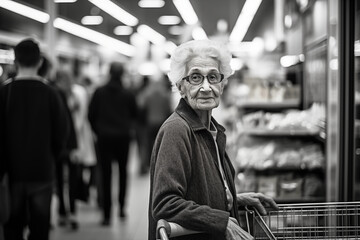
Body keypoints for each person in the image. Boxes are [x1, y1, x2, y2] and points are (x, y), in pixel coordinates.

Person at [148, 40, 278, 240]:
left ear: (223, 84)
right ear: (181, 87)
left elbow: (196, 189)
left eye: (213, 77)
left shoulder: (212, 130)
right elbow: (165, 203)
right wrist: (221, 221)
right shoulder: (177, 130)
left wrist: (233, 200)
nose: (206, 87)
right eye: (196, 77)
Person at [0, 38, 69, 240]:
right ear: (40, 62)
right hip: (42, 171)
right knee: (40, 228)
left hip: (11, 174)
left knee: (12, 227)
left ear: (15, 61)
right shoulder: (51, 93)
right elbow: (61, 133)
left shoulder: (4, 92)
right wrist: (53, 157)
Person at [88, 61, 138, 226]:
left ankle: (107, 214)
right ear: (122, 73)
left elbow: (91, 115)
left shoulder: (99, 92)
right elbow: (134, 115)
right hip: (123, 137)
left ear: (109, 73)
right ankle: (122, 209)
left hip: (104, 138)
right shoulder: (128, 93)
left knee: (106, 174)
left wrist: (99, 130)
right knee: (123, 173)